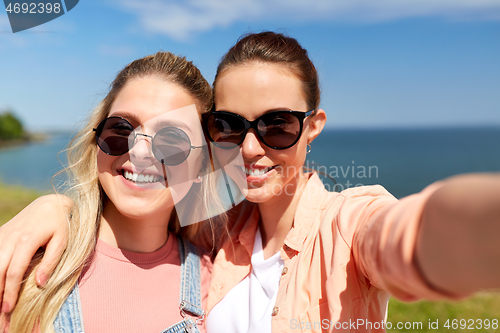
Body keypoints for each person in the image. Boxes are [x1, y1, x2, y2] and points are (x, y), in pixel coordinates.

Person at [1, 32, 500, 333]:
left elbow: (404, 235)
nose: (251, 148)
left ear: (313, 125)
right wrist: (58, 207)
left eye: (277, 124)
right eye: (230, 126)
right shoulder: (215, 233)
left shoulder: (344, 226)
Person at [0, 52, 221, 333]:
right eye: (121, 129)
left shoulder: (217, 285)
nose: (140, 152)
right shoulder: (28, 264)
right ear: (97, 140)